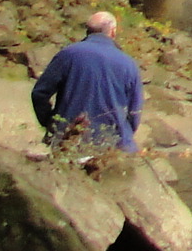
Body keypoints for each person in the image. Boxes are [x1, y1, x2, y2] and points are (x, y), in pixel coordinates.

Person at [32, 10, 144, 152]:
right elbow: (135, 111)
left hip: (68, 139)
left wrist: (52, 124)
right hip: (113, 143)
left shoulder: (68, 54)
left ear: (88, 31)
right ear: (113, 32)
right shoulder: (129, 64)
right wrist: (125, 134)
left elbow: (39, 94)